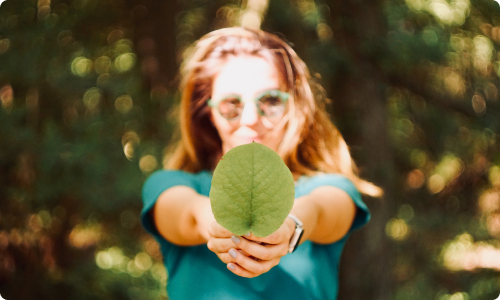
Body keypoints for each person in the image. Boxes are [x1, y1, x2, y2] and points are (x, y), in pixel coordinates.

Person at [141, 27, 382, 300]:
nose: (250, 118)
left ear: (294, 105)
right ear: (207, 111)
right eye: (231, 103)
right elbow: (188, 214)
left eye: (270, 100)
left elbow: (320, 211)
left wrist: (289, 226)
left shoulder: (330, 187)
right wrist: (218, 225)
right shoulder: (169, 185)